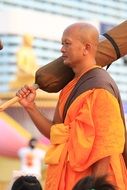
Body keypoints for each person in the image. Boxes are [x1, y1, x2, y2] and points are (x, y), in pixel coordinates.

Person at [16, 22, 127, 190]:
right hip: (66, 180)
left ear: (86, 48)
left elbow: (107, 147)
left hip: (92, 183)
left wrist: (94, 187)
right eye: (62, 44)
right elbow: (56, 133)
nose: (61, 49)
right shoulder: (69, 88)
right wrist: (30, 106)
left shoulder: (100, 87)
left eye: (66, 43)